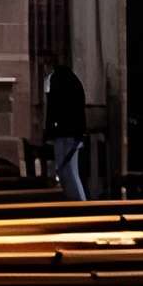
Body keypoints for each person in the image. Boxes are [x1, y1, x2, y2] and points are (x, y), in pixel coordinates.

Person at [44, 57, 89, 199]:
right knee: (71, 171)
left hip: (63, 133)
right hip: (75, 132)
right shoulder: (74, 80)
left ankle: (79, 204)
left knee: (66, 171)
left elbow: (53, 109)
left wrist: (49, 131)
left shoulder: (56, 80)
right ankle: (77, 202)